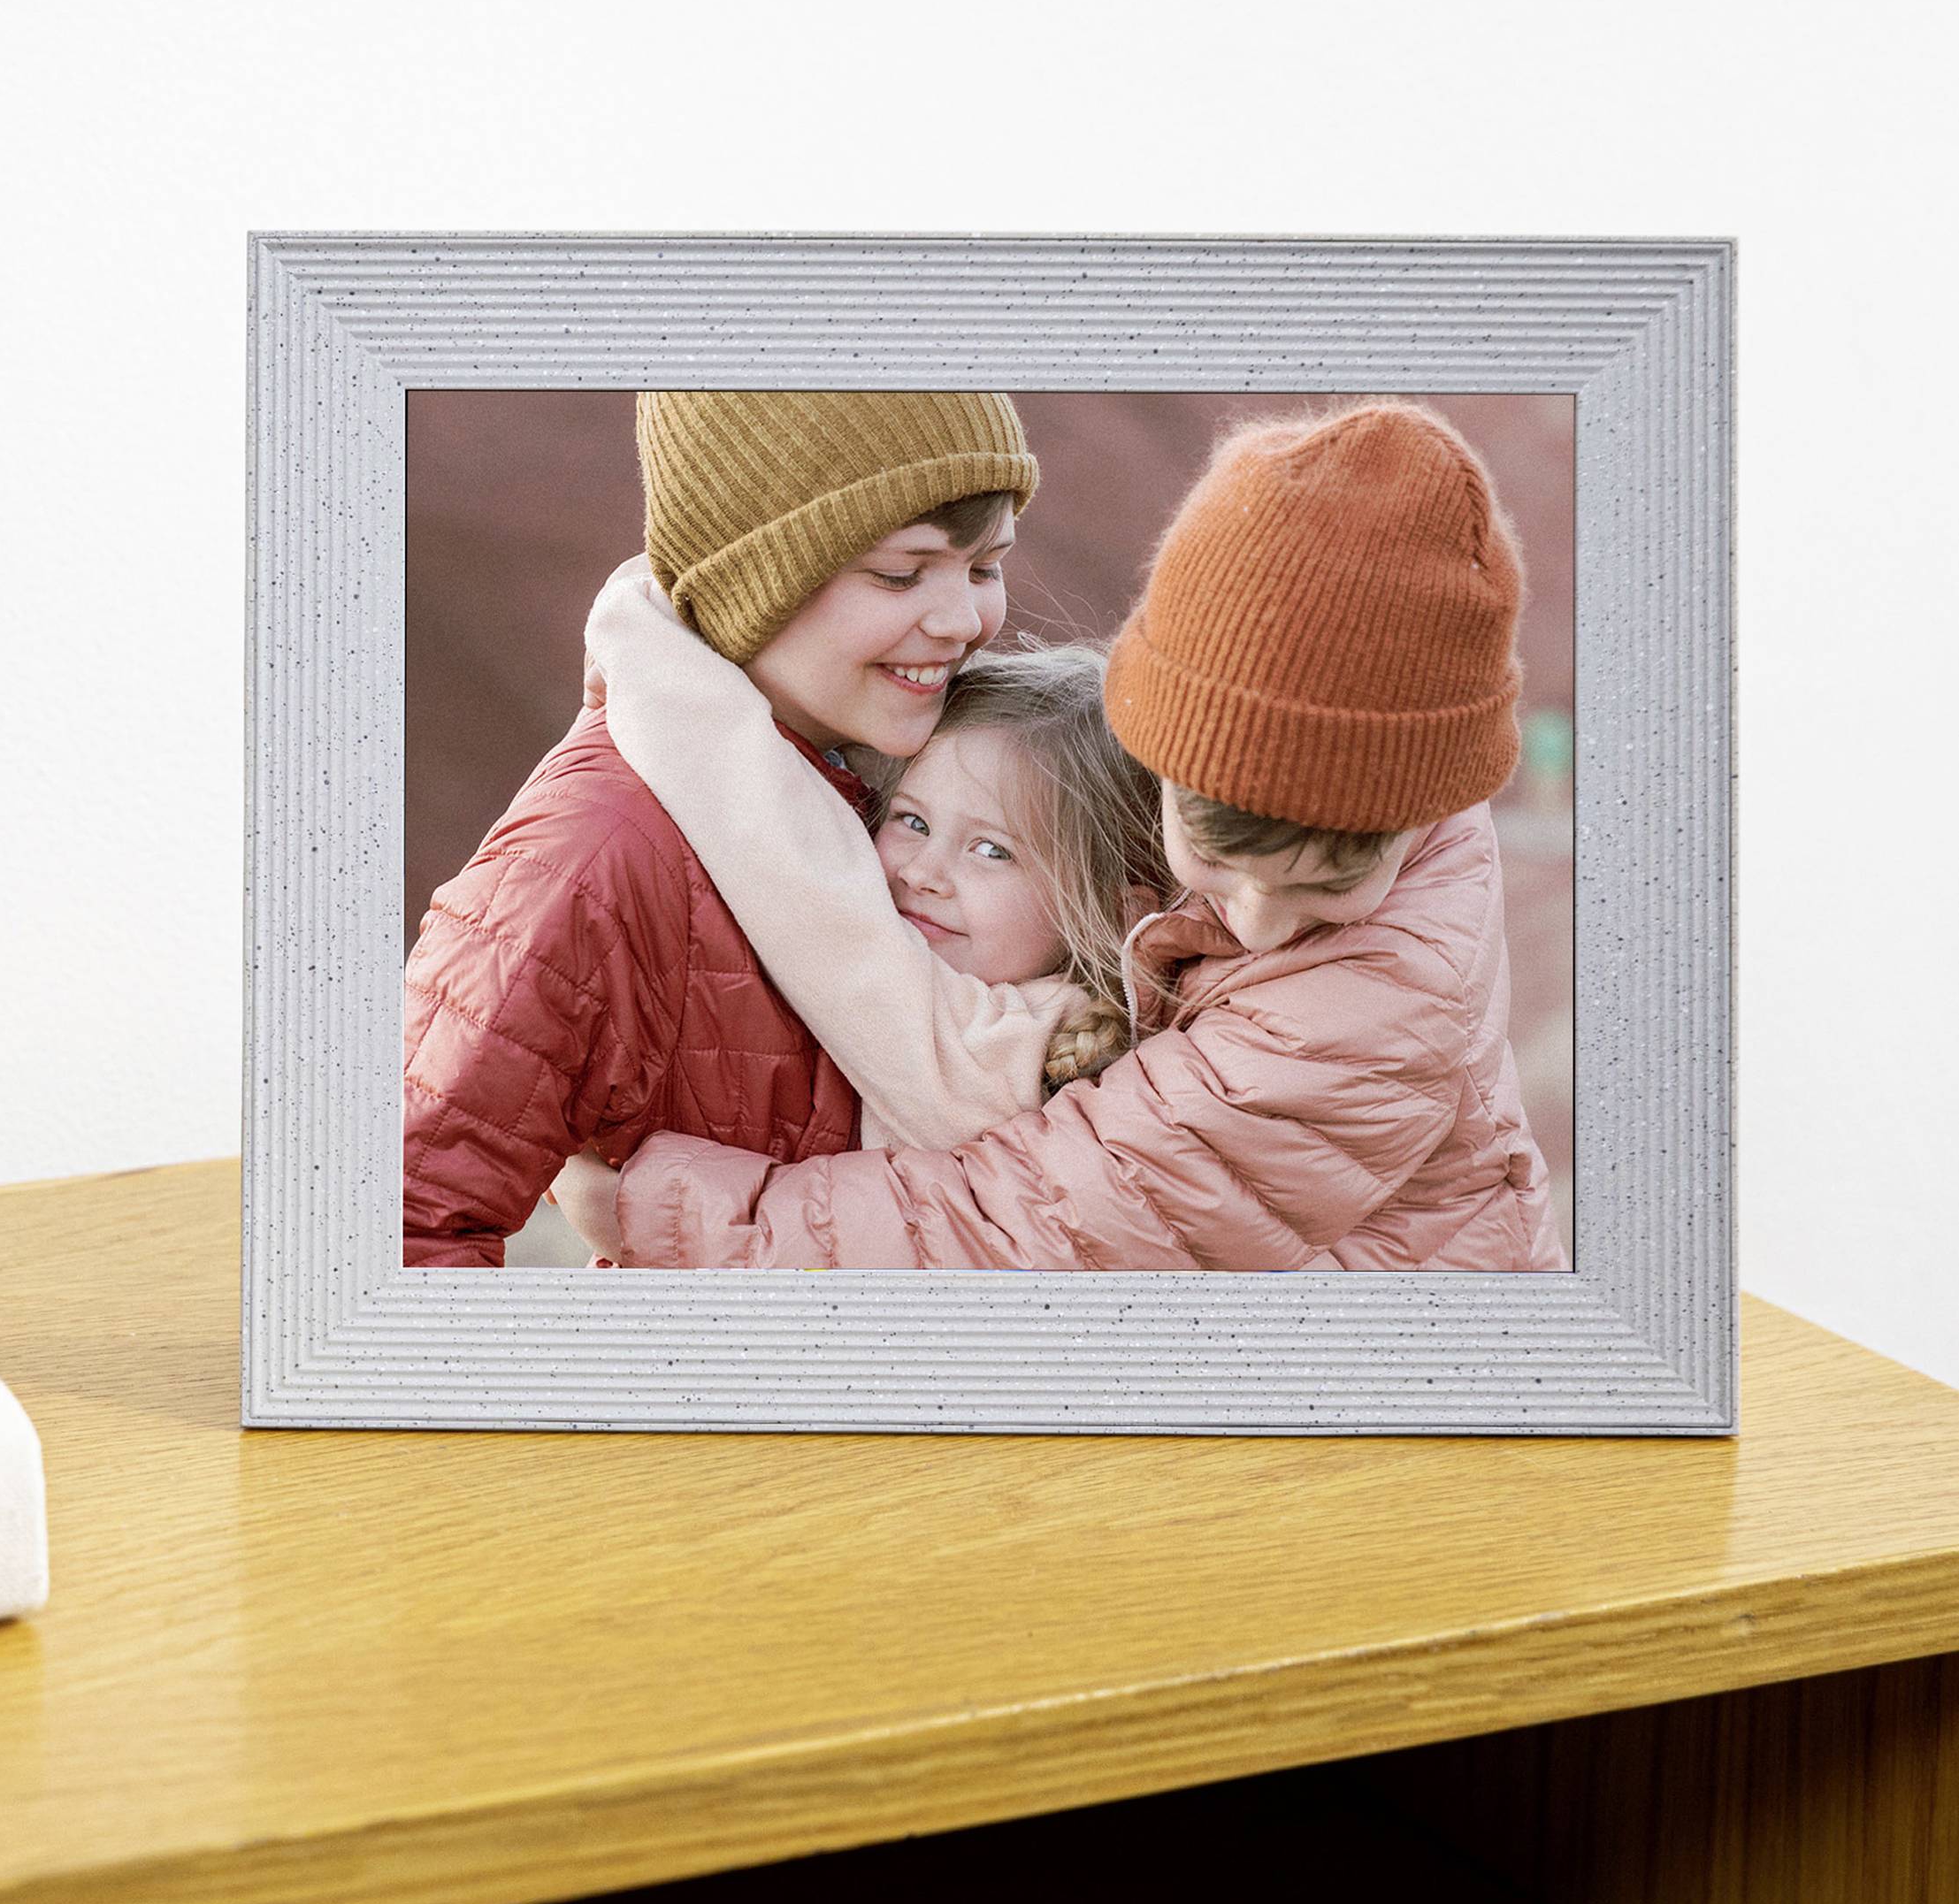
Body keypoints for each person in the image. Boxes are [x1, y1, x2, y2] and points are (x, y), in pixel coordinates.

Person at [600, 401, 1570, 1273]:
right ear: (1154, 748)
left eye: (1323, 890)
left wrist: (683, 1213)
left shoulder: (1370, 1008)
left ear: (1413, 816)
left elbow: (1044, 1227)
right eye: (1218, 866)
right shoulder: (1338, 767)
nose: (1263, 925)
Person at [402, 388, 1040, 1266]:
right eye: (901, 572)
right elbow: (401, 1229)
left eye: (984, 568)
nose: (963, 621)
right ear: (753, 578)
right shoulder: (593, 859)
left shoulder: (910, 785)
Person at [575, 559, 1166, 1152]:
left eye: (992, 850)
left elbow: (762, 826)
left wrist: (638, 616)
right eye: (912, 820)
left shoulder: (1000, 1048)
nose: (923, 872)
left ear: (1121, 916)